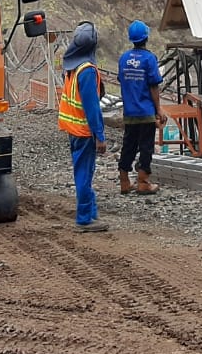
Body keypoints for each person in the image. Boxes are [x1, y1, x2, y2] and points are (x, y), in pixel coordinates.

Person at [57, 21, 109, 232]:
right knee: (84, 174)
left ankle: (91, 213)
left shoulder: (72, 67)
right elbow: (92, 108)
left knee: (84, 171)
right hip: (84, 131)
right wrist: (100, 136)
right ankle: (84, 219)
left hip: (73, 128)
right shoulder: (87, 71)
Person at [116, 20, 166, 195]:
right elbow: (153, 86)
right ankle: (143, 182)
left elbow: (122, 82)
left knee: (128, 145)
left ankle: (124, 181)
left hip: (129, 112)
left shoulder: (123, 58)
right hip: (145, 112)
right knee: (146, 147)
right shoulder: (149, 59)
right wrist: (159, 109)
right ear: (146, 37)